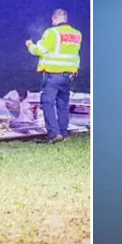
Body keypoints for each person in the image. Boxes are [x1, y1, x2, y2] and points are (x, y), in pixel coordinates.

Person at [26, 9, 82, 143]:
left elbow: (39, 50)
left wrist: (29, 45)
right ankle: (63, 133)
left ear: (54, 19)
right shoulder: (77, 34)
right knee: (62, 105)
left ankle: (54, 133)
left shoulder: (52, 32)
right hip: (68, 76)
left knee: (47, 103)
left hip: (53, 76)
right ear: (66, 18)